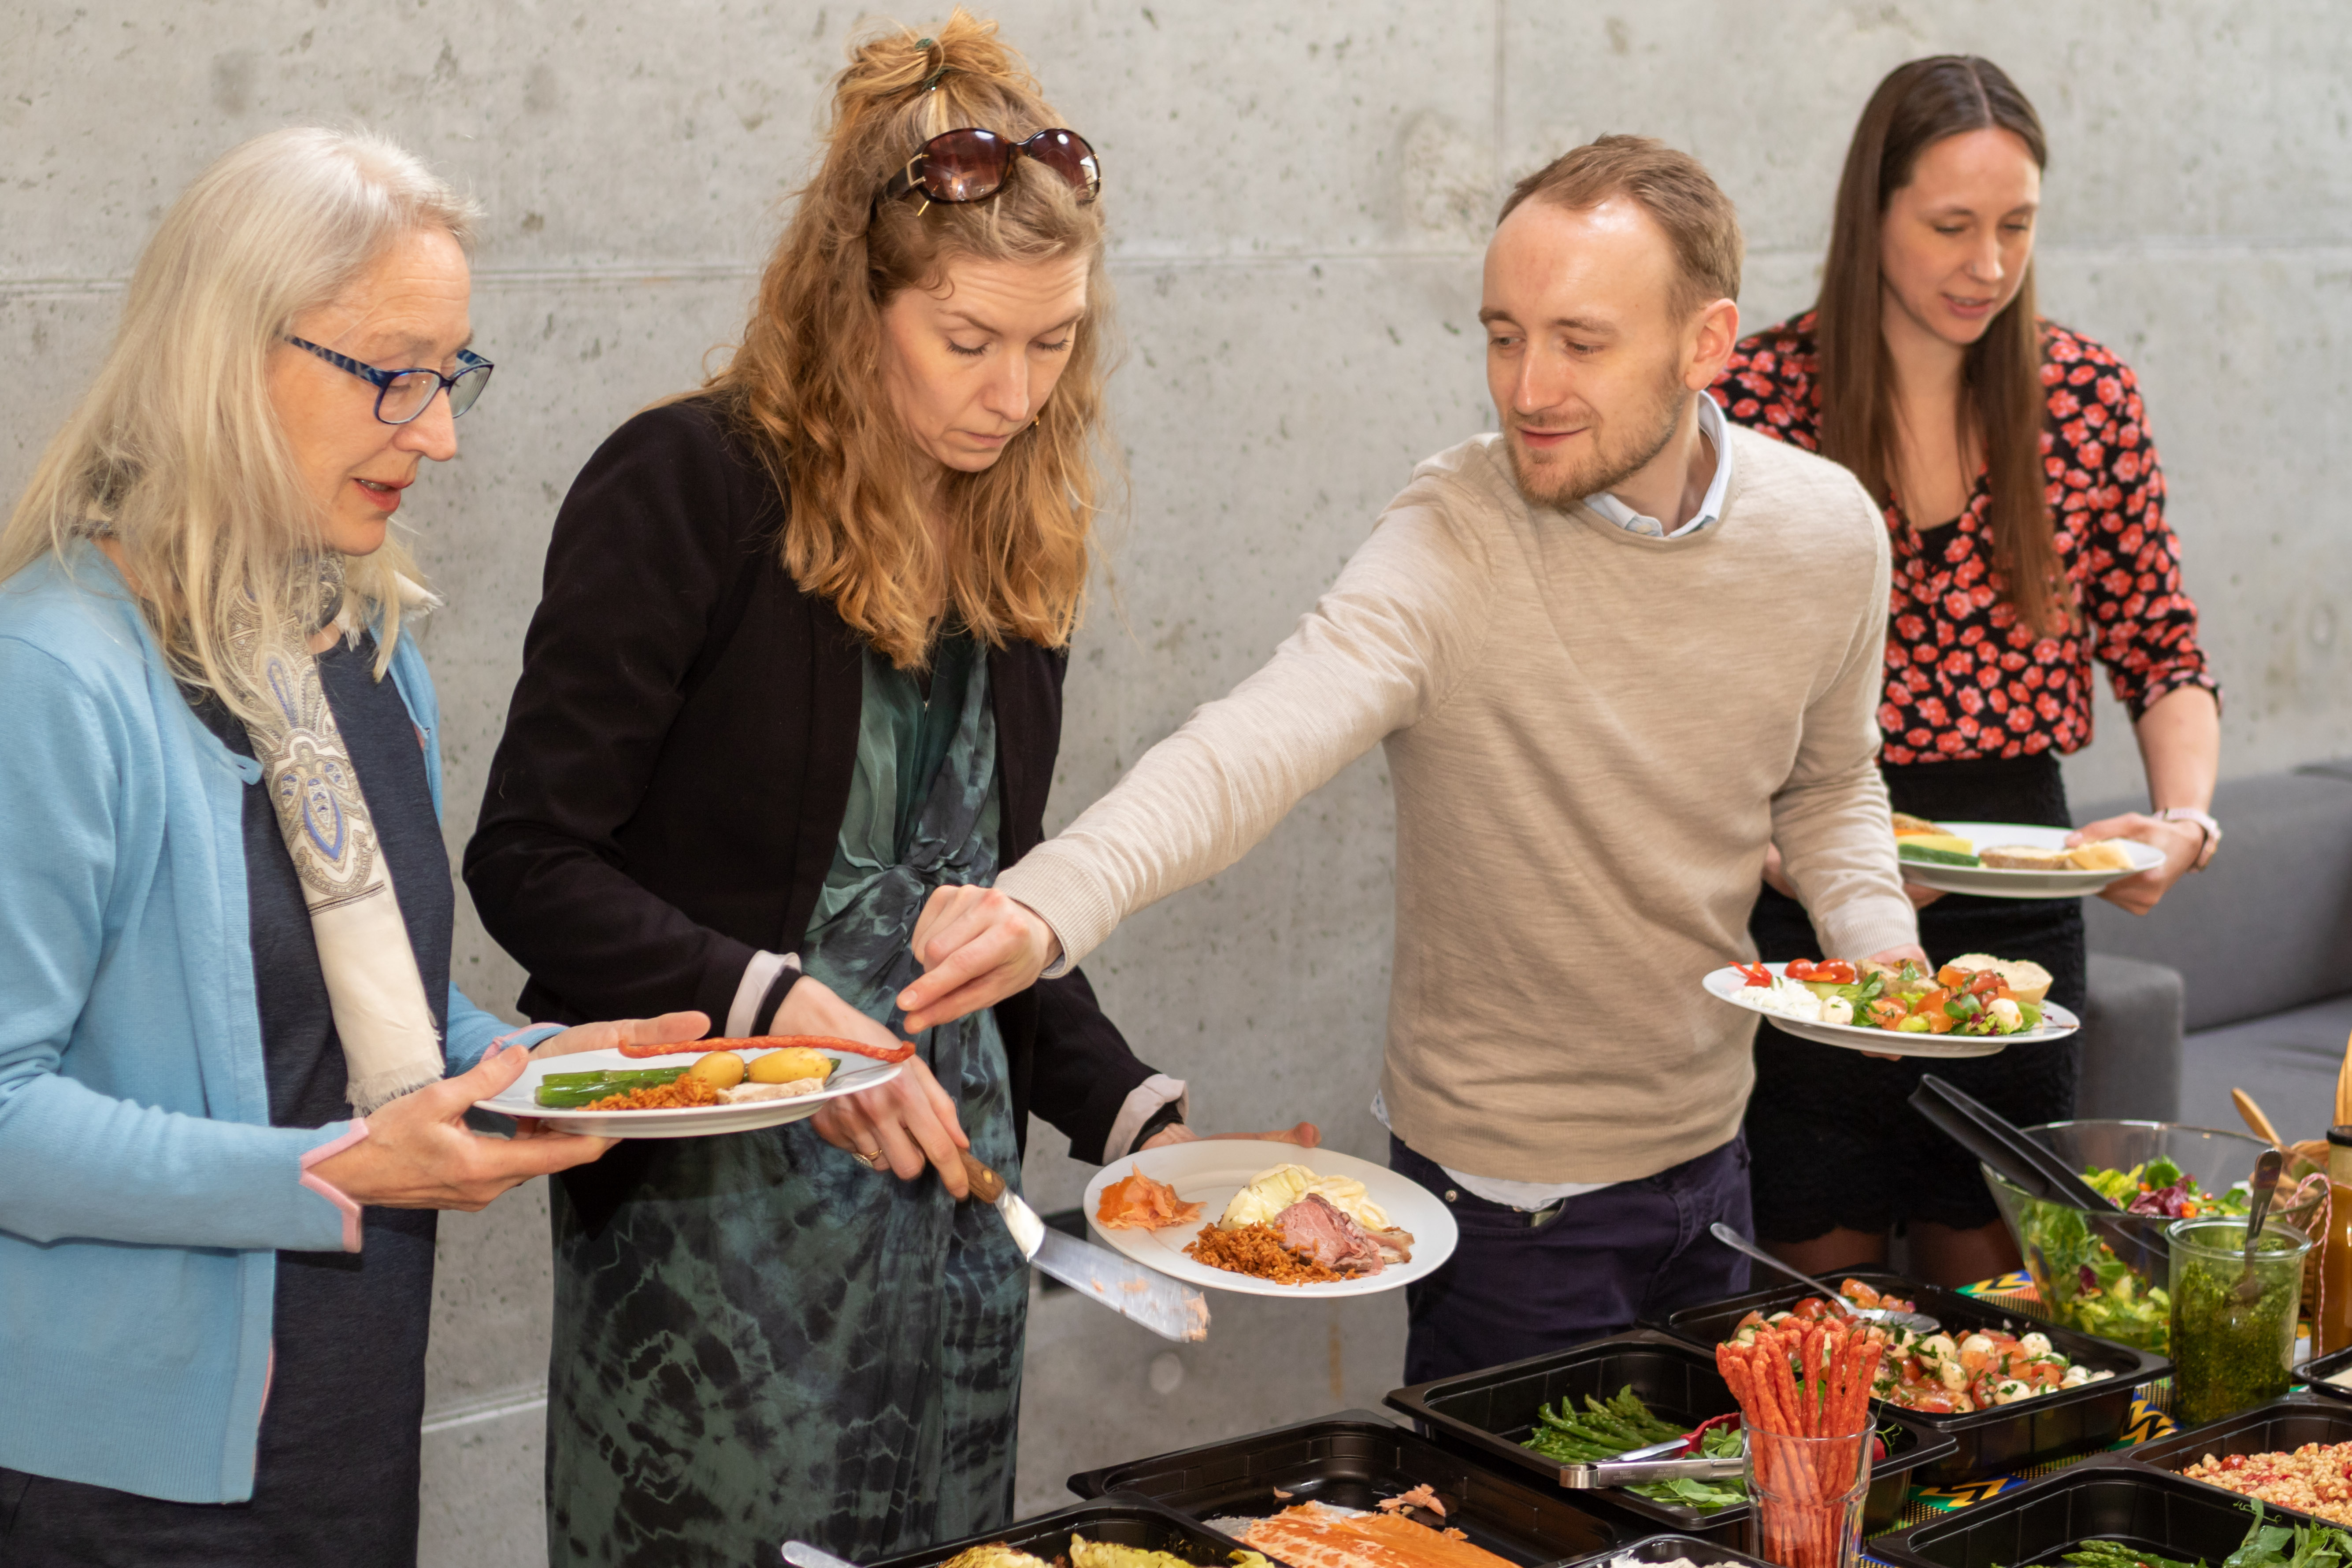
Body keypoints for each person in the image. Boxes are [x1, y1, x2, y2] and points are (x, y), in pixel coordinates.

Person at [462, 17, 1311, 1565]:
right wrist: (776, 1010)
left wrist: (1129, 1113)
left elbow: (985, 900)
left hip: (958, 1217)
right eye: (969, 341)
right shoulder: (688, 484)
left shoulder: (1012, 528)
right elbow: (529, 859)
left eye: (1053, 345)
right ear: (856, 303)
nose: (1015, 393)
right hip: (718, 1239)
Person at [896, 135, 1929, 1384]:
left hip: (1716, 1158)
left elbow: (1828, 781)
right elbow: (1254, 742)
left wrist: (1880, 951)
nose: (1527, 388)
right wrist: (1047, 902)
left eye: (1580, 342)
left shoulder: (1826, 532)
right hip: (1504, 1207)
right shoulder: (1455, 532)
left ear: (1705, 343)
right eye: (1503, 335)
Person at [0, 127, 698, 1567]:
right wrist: (334, 1172)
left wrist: (543, 1066)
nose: (438, 435)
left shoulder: (361, 647)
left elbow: (365, 1019)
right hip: (114, 1490)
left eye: (451, 376)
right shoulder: (54, 675)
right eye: (393, 374)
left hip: (346, 1428)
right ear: (223, 355)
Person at [1710, 56, 2222, 1286]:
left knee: (1998, 1290)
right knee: (1818, 1293)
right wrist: (1797, 857)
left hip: (2018, 879)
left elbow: (2161, 647)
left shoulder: (2084, 395)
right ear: (1873, 212)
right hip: (1804, 873)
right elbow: (1688, 684)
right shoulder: (1753, 399)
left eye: (2015, 227)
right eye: (1951, 226)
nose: (1987, 264)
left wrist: (2184, 823)